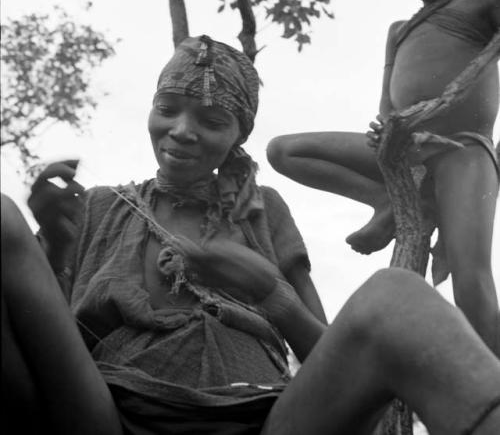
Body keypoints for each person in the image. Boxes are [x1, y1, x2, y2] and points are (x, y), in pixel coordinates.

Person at [2, 35, 500, 435]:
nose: (180, 130)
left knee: (397, 298)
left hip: (261, 419)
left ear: (239, 134)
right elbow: (48, 345)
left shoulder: (264, 211)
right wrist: (55, 248)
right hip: (107, 413)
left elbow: (327, 355)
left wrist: (271, 296)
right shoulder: (99, 206)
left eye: (212, 120)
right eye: (167, 108)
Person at [266, 0, 500, 356]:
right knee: (284, 150)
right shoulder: (398, 31)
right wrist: (383, 134)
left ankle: (491, 392)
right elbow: (387, 108)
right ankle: (387, 201)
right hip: (405, 150)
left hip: (462, 151)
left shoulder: (483, 0)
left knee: (472, 278)